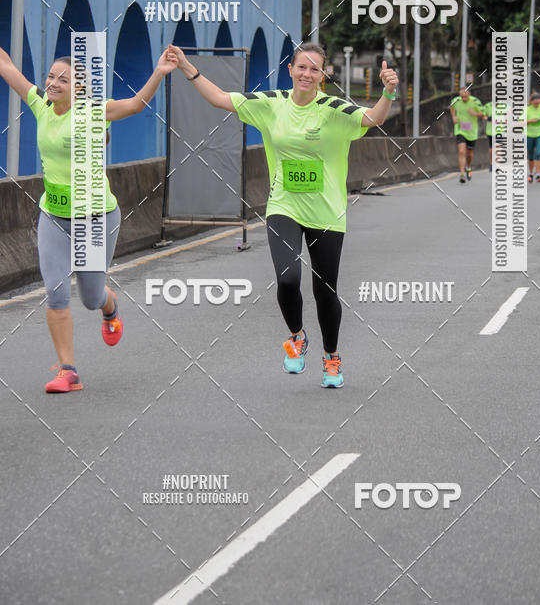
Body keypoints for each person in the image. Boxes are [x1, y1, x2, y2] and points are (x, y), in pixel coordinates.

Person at [169, 42, 398, 389]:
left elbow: (373, 118)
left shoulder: (333, 109)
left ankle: (331, 357)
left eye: (314, 69)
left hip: (326, 213)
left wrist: (388, 92)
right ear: (290, 70)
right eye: (301, 67)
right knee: (288, 279)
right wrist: (187, 67)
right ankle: (297, 336)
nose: (307, 74)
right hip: (283, 206)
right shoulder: (271, 104)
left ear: (323, 75)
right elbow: (220, 98)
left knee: (325, 291)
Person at [0, 44, 177, 393]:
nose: (53, 83)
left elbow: (135, 105)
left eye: (63, 80)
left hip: (95, 218)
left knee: (91, 297)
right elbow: (6, 66)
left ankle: (109, 307)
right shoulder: (40, 104)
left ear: (79, 88)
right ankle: (68, 371)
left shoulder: (94, 112)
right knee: (55, 292)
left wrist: (159, 71)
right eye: (51, 76)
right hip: (53, 215)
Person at [449, 87, 483, 183]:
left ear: (469, 94)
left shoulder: (475, 101)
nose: (463, 98)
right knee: (461, 151)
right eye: (462, 96)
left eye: (465, 97)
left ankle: (468, 166)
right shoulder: (456, 100)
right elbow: (451, 107)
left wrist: (474, 113)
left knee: (469, 154)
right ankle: (462, 174)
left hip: (472, 131)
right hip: (460, 129)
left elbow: (483, 114)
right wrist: (454, 116)